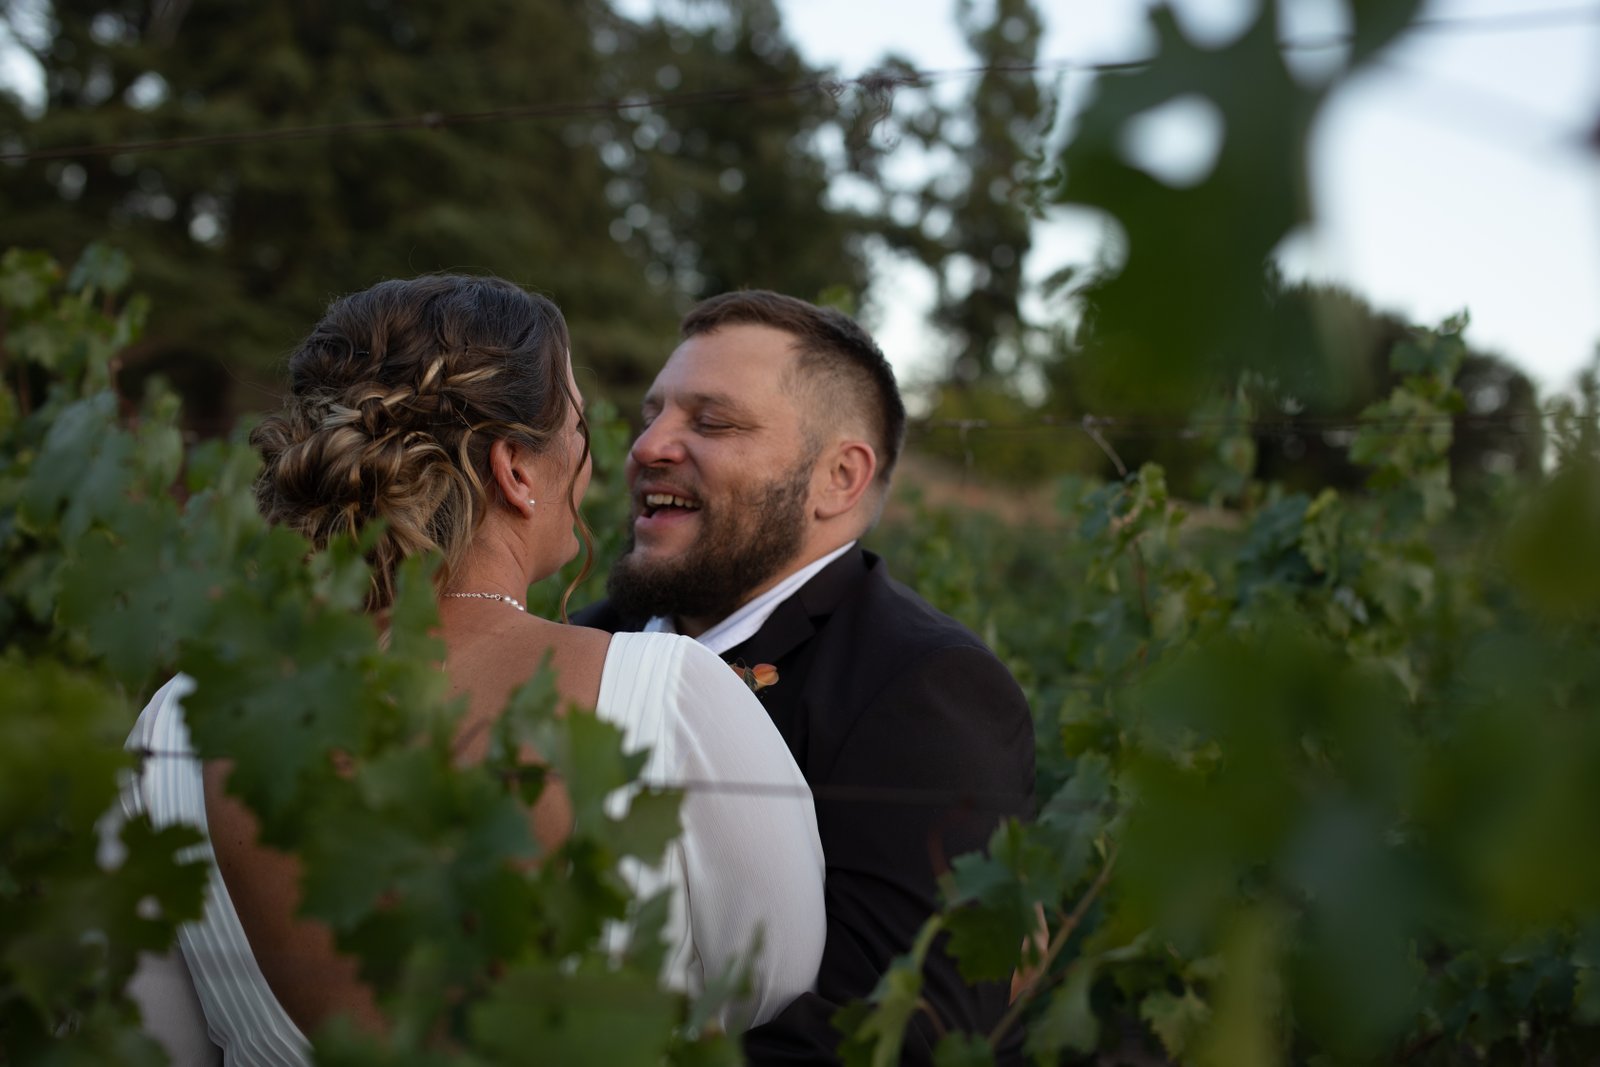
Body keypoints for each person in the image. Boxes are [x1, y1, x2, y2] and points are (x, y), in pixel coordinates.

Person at [123, 275, 826, 1065]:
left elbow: (156, 1037)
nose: (599, 462)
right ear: (516, 469)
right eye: (580, 424)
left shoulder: (182, 720)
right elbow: (772, 978)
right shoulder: (672, 695)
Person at [572, 290, 1035, 1064]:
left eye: (710, 421)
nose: (649, 445)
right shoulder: (576, 639)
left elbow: (895, 1035)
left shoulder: (925, 689)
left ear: (838, 478)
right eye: (653, 413)